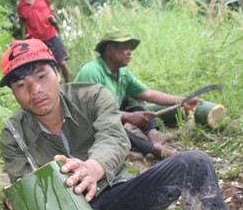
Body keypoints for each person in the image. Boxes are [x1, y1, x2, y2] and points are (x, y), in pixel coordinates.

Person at [0, 38, 236, 210]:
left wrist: (93, 167)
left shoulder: (92, 95)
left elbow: (114, 137)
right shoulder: (12, 133)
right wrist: (22, 202)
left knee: (194, 163)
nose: (34, 90)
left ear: (57, 72)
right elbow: (24, 186)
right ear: (13, 92)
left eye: (41, 76)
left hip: (114, 202)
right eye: (22, 84)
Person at [74, 28, 201, 159]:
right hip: (86, 125)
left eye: (130, 49)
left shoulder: (122, 73)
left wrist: (183, 101)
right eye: (124, 49)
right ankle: (153, 149)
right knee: (111, 128)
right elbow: (91, 112)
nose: (129, 53)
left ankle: (153, 134)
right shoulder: (91, 71)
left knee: (134, 101)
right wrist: (128, 117)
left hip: (108, 115)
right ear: (109, 49)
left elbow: (149, 94)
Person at [16, 0, 71, 83]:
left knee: (63, 63)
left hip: (51, 34)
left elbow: (51, 11)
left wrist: (53, 18)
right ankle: (57, 88)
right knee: (49, 68)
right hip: (37, 41)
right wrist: (25, 35)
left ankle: (69, 85)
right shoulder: (21, 5)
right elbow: (22, 24)